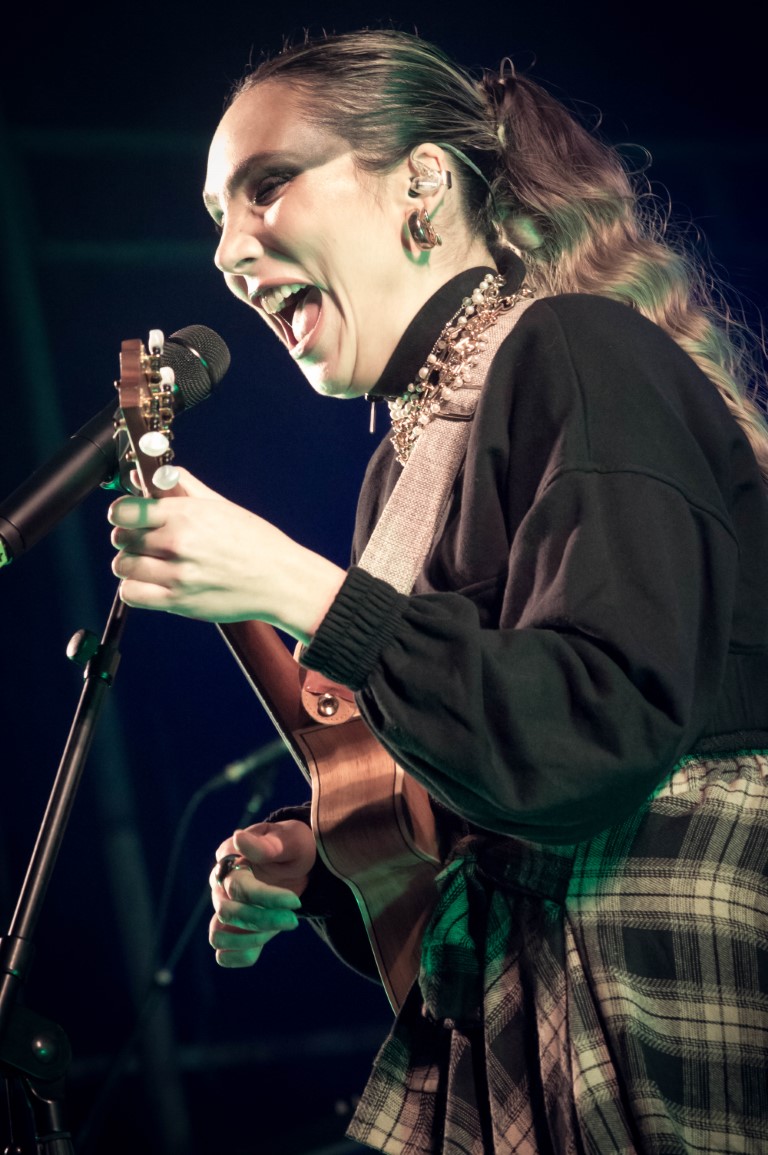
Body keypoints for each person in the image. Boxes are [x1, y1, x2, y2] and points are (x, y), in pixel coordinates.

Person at [107, 28, 768, 1154]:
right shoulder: (403, 469)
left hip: (658, 960)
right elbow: (496, 773)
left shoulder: (578, 348)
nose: (227, 250)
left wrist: (302, 588)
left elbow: (596, 733)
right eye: (216, 215)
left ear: (421, 182)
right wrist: (328, 863)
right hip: (524, 989)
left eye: (268, 185)